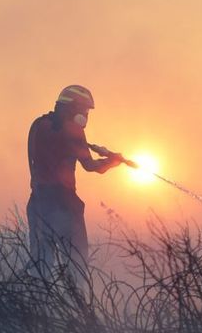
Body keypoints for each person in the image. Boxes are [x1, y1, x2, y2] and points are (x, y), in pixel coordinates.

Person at [26, 85, 128, 272]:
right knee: (77, 265)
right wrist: (113, 162)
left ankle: (32, 292)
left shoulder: (39, 125)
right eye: (85, 110)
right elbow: (91, 166)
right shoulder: (73, 130)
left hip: (38, 204)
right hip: (64, 205)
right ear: (73, 108)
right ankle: (75, 292)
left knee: (40, 266)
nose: (86, 116)